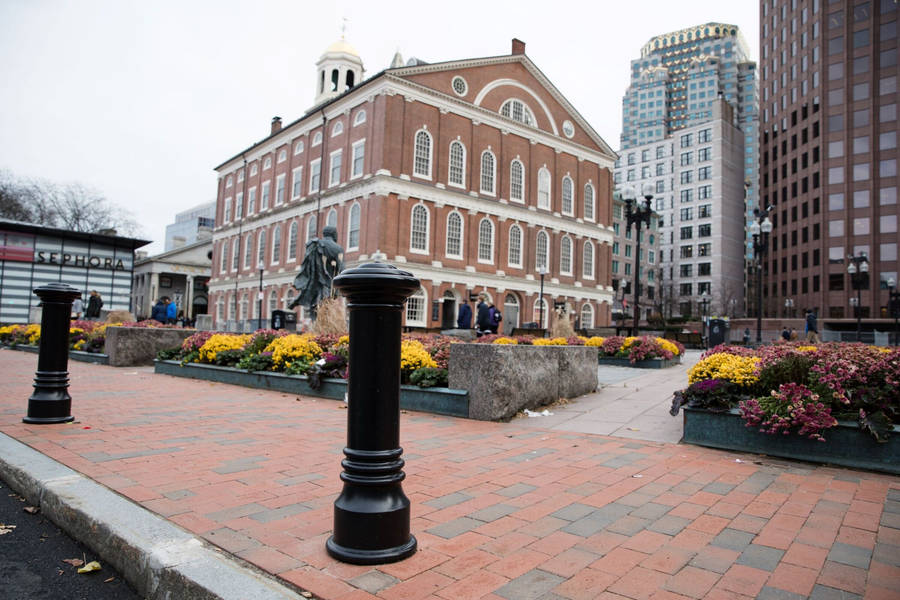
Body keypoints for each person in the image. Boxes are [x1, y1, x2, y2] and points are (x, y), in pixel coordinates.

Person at [288, 225, 344, 320]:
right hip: (328, 283)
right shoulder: (337, 248)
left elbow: (306, 264)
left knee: (314, 306)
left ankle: (315, 328)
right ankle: (322, 330)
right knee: (325, 307)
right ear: (334, 234)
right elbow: (341, 268)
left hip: (314, 281)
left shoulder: (314, 244)